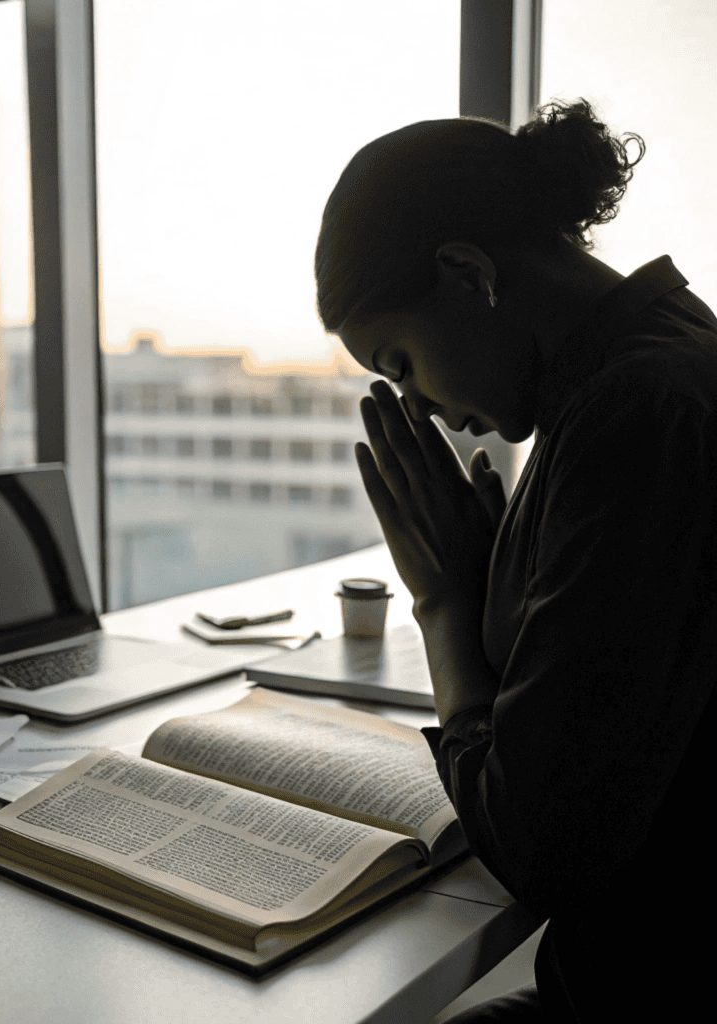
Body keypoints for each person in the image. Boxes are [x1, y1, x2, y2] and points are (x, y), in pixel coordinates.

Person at [314, 99, 717, 1021]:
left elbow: (542, 851)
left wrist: (449, 605)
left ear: (466, 276)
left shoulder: (633, 419)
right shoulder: (666, 353)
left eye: (403, 364)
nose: (427, 411)